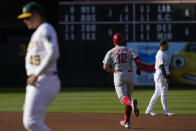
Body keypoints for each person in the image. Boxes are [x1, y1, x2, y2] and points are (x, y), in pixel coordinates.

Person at [17, 2, 61, 131]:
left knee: (31, 122)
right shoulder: (37, 33)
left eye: (28, 17)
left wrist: (36, 74)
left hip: (44, 79)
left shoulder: (46, 28)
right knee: (32, 123)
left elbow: (54, 53)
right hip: (38, 81)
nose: (25, 21)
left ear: (37, 15)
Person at [103, 33, 141, 128]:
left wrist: (111, 71)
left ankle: (131, 104)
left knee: (123, 98)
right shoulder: (129, 50)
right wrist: (138, 69)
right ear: (123, 40)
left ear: (114, 41)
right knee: (127, 97)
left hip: (118, 74)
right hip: (129, 74)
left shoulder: (111, 52)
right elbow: (138, 60)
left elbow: (105, 66)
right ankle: (127, 122)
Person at [145, 40, 175, 116]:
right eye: (166, 45)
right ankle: (166, 111)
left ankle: (149, 109)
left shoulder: (161, 53)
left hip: (159, 74)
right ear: (162, 46)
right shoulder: (161, 54)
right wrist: (166, 76)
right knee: (163, 93)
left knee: (157, 93)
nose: (168, 46)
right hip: (161, 75)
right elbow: (161, 66)